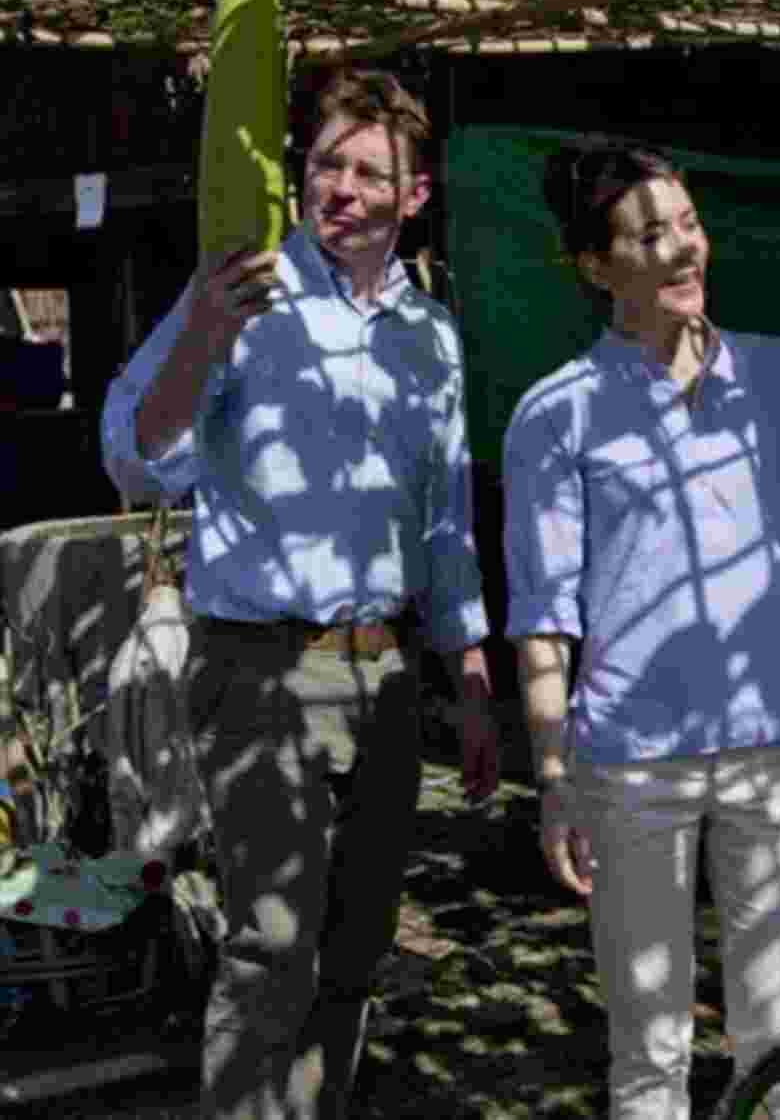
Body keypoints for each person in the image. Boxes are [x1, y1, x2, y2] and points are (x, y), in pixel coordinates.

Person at [502, 135, 780, 1120]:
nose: (683, 248)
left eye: (689, 224)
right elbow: (542, 613)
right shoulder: (555, 413)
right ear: (594, 265)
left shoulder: (772, 375)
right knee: (648, 1048)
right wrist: (554, 779)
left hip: (775, 738)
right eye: (649, 233)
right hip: (631, 761)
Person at [101, 68, 499, 1120]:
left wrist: (467, 667)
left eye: (372, 172)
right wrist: (203, 336)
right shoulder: (242, 290)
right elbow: (140, 462)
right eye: (328, 163)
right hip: (260, 661)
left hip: (384, 666)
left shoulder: (432, 338)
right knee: (271, 937)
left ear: (414, 195)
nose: (344, 189)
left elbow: (446, 517)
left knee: (357, 943)